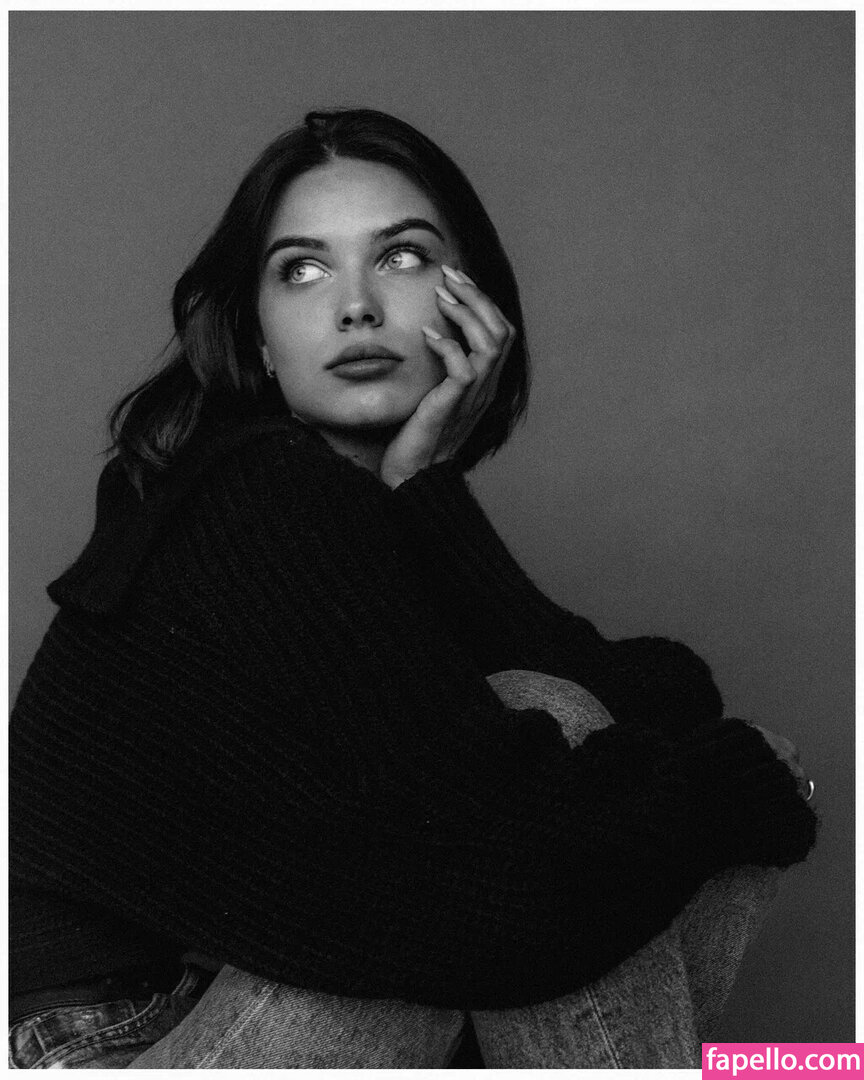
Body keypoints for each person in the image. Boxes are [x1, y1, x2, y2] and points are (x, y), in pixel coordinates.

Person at [9, 108, 817, 1069]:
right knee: (561, 826)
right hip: (112, 1048)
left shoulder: (340, 512)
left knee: (577, 762)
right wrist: (729, 790)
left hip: (223, 1000)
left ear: (473, 301)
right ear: (258, 339)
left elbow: (653, 702)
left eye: (400, 257)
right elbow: (495, 890)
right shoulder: (256, 496)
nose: (355, 307)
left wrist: (424, 492)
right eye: (301, 270)